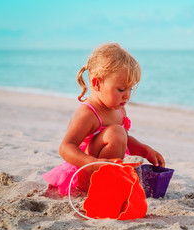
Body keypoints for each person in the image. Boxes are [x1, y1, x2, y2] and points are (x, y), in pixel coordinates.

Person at [42, 43, 165, 195]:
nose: (127, 95)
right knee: (115, 132)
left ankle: (111, 182)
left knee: (118, 133)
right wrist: (93, 164)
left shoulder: (119, 109)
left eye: (130, 89)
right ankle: (104, 185)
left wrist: (145, 150)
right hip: (86, 173)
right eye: (121, 89)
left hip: (108, 168)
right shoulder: (88, 114)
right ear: (97, 83)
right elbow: (65, 148)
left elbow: (124, 139)